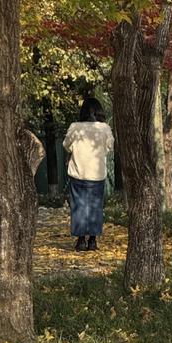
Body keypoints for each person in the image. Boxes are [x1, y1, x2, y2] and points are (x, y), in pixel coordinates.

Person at [63, 97, 114, 251]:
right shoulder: (104, 128)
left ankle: (80, 240)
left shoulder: (75, 127)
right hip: (97, 174)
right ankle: (93, 240)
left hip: (78, 172)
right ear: (99, 111)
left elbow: (66, 145)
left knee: (79, 206)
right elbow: (110, 145)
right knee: (95, 207)